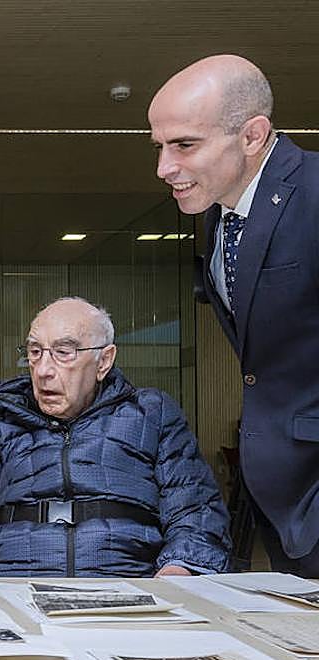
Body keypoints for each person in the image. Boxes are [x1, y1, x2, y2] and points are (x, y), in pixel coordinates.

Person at [149, 55, 319, 578]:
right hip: (279, 506)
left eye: (184, 145)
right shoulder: (220, 214)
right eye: (159, 146)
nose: (164, 167)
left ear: (252, 135)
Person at [0, 297, 230, 577]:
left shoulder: (151, 414)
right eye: (35, 352)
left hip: (125, 587)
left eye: (64, 353)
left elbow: (195, 511)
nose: (44, 370)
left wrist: (179, 571)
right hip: (16, 586)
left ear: (104, 361)